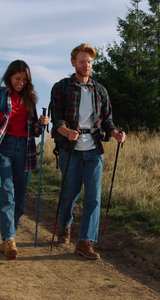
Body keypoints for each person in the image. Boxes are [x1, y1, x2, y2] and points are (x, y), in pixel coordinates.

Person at [50, 43, 126, 260]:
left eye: (89, 62)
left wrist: (116, 133)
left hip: (94, 149)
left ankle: (85, 242)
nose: (86, 65)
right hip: (70, 148)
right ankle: (64, 226)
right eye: (82, 61)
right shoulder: (61, 87)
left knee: (93, 197)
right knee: (70, 193)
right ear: (73, 62)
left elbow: (107, 121)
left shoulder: (100, 90)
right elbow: (56, 117)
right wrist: (65, 131)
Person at [0, 60, 49, 260]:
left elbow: (34, 130)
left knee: (19, 198)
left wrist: (42, 124)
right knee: (5, 194)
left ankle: (7, 238)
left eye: (25, 80)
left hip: (25, 150)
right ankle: (10, 239)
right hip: (2, 149)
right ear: (9, 76)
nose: (21, 83)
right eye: (18, 79)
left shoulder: (30, 99)